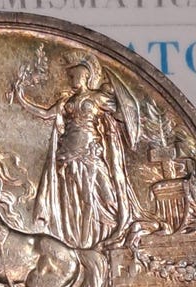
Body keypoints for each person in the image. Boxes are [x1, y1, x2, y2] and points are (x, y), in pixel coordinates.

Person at [14, 49, 138, 250]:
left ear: (86, 75)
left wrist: (117, 97)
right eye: (70, 76)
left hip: (90, 151)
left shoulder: (98, 98)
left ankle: (99, 238)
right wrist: (21, 98)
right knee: (74, 199)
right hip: (68, 153)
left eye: (74, 75)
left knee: (104, 197)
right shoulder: (67, 101)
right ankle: (80, 241)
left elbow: (123, 112)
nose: (71, 79)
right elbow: (45, 114)